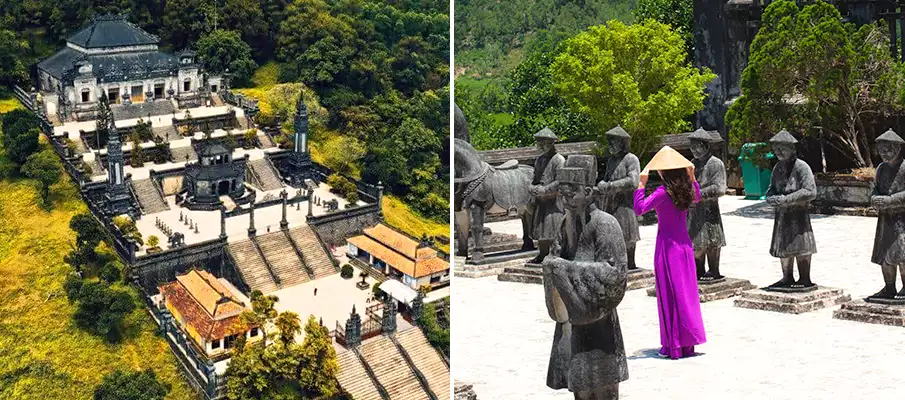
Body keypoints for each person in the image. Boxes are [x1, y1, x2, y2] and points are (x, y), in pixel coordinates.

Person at [543, 155, 628, 400]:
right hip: (572, 315)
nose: (566, 199)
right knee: (579, 387)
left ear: (589, 191)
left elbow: (613, 274)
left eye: (572, 193)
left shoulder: (605, 224)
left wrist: (563, 269)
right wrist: (555, 268)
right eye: (562, 193)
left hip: (598, 319)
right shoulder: (564, 224)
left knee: (602, 387)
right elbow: (553, 258)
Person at [633, 146, 706, 359]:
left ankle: (673, 345)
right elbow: (698, 197)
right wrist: (692, 177)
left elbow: (639, 209)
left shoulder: (662, 192)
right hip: (684, 246)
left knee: (670, 293)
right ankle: (687, 344)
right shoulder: (685, 191)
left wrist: (641, 185)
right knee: (685, 294)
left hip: (667, 247)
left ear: (664, 172)